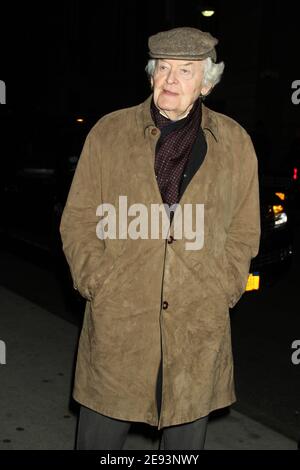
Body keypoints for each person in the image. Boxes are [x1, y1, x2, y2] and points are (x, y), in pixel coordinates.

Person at [60, 26, 261, 450]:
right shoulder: (109, 133)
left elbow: (244, 229)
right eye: (163, 68)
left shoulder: (235, 144)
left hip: (196, 326)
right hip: (120, 322)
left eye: (185, 71)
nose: (171, 80)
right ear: (151, 74)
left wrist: (225, 285)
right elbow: (77, 218)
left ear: (206, 83)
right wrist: (95, 279)